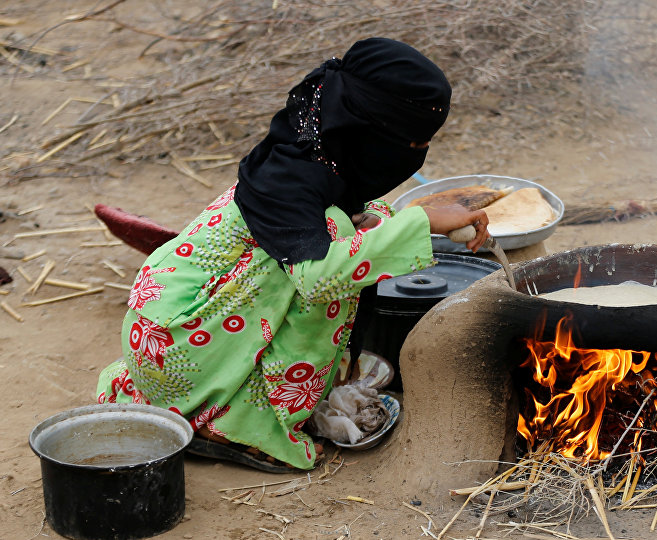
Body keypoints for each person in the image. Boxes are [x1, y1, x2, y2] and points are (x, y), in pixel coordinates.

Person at [95, 37, 489, 472]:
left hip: (162, 345)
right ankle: (243, 426)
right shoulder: (293, 182)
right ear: (369, 129)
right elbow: (319, 278)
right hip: (177, 352)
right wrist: (422, 223)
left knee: (351, 231)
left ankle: (225, 401)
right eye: (412, 144)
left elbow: (353, 226)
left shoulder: (309, 153)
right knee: (333, 265)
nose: (416, 155)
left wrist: (405, 220)